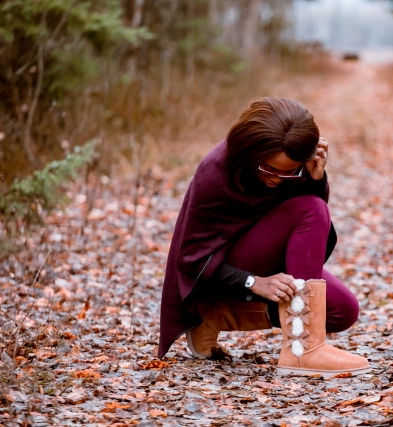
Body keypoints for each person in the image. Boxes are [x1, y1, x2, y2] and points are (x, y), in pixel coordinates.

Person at [158, 97, 369, 377]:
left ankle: (212, 318)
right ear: (251, 152)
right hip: (219, 270)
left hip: (261, 253)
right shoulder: (215, 172)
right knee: (312, 208)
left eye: (288, 172)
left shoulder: (292, 171)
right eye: (268, 169)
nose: (276, 179)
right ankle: (303, 348)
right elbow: (192, 260)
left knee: (342, 310)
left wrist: (314, 180)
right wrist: (253, 282)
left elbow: (307, 225)